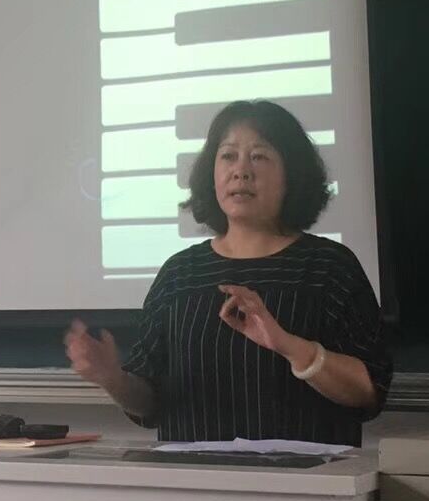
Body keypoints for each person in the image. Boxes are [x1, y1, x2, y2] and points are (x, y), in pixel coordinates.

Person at [65, 100, 391, 446]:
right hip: (195, 476)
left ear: (292, 175)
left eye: (259, 156)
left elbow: (369, 391)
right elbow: (150, 404)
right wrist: (113, 378)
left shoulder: (329, 267)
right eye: (228, 156)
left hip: (308, 476)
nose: (241, 171)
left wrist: (288, 345)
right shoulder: (179, 275)